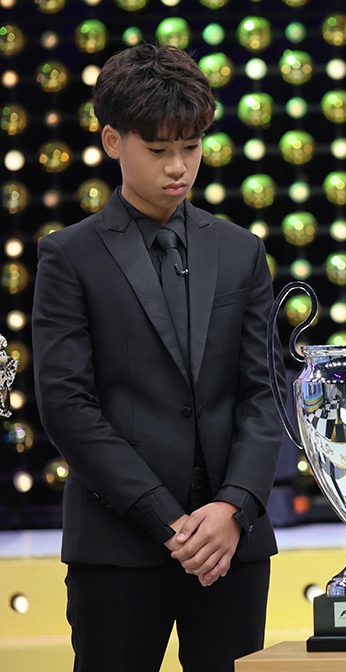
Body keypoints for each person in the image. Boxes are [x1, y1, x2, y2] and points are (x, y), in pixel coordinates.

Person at [32, 44, 280, 672]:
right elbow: (66, 405)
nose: (179, 166)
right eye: (159, 148)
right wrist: (168, 520)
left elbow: (265, 394)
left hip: (231, 545)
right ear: (113, 141)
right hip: (118, 545)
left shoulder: (242, 251)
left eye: (191, 147)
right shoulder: (70, 256)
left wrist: (233, 507)